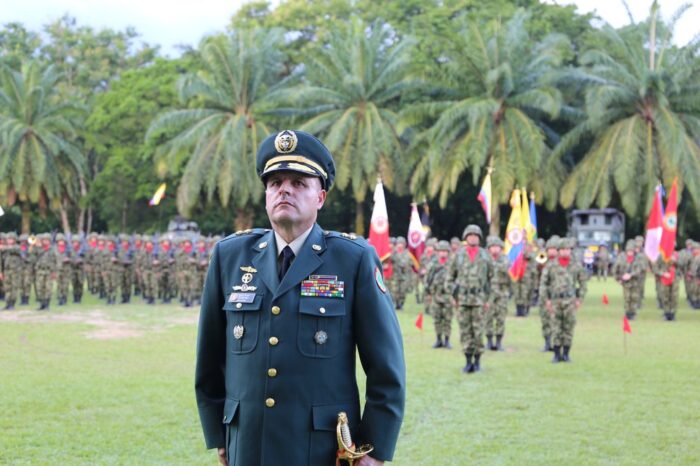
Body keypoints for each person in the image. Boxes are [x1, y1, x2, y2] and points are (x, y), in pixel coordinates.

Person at [195, 130, 406, 466]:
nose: (284, 190)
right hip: (248, 445)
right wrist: (219, 435)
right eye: (275, 182)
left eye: (298, 182)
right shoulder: (230, 256)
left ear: (320, 197)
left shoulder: (352, 259)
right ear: (266, 195)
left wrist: (374, 449)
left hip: (321, 450)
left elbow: (386, 368)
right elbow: (209, 359)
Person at [446, 224, 492, 373]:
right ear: (466, 238)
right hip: (463, 300)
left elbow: (492, 279)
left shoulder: (485, 256)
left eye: (475, 235)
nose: (473, 238)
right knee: (465, 331)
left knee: (478, 331)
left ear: (479, 238)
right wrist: (453, 296)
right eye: (470, 235)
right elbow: (449, 277)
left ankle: (477, 362)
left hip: (479, 300)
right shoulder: (458, 256)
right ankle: (467, 361)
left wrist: (488, 299)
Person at [539, 238, 587, 363]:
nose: (565, 252)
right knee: (556, 327)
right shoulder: (551, 265)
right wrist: (546, 300)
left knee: (568, 327)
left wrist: (579, 299)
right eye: (563, 250)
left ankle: (566, 354)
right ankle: (556, 354)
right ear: (558, 251)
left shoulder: (576, 265)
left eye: (567, 249)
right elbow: (543, 284)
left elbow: (583, 283)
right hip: (555, 301)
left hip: (570, 301)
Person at [425, 240, 453, 349]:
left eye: (445, 251)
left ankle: (447, 340)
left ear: (448, 252)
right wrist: (428, 293)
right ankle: (438, 339)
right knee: (437, 319)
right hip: (435, 295)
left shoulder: (452, 264)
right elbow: (427, 279)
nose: (443, 253)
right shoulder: (433, 264)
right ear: (437, 252)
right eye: (441, 251)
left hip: (448, 296)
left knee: (447, 319)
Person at [485, 235, 510, 351]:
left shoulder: (505, 259)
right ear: (489, 248)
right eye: (492, 247)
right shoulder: (485, 259)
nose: (495, 249)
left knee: (500, 317)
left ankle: (499, 342)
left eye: (497, 247)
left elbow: (505, 268)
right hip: (488, 293)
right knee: (488, 317)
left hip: (501, 292)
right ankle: (489, 341)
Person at [613, 240, 645, 320]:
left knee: (634, 298)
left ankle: (633, 313)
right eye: (628, 251)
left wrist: (630, 275)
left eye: (631, 251)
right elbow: (615, 269)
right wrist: (618, 279)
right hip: (626, 283)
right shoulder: (621, 257)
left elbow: (639, 269)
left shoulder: (638, 258)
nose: (630, 252)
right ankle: (627, 313)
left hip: (635, 282)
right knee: (627, 298)